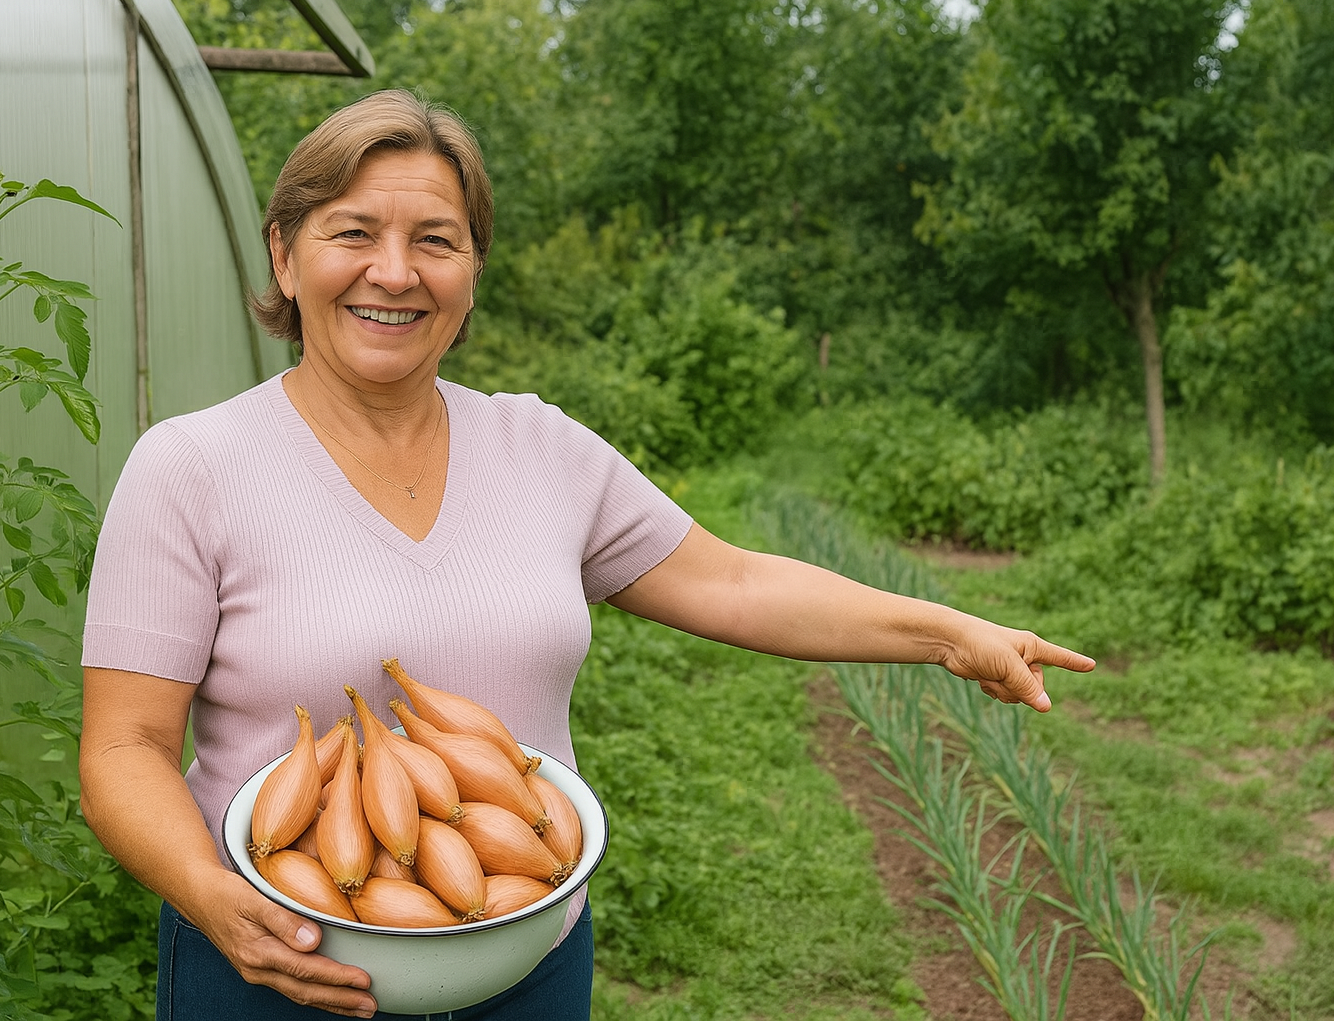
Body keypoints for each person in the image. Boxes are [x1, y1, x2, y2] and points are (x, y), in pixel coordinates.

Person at [77, 89, 1094, 1021]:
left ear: (473, 270)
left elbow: (731, 579)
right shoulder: (192, 468)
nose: (395, 271)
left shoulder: (542, 449)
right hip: (275, 966)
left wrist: (949, 631)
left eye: (436, 239)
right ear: (287, 255)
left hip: (526, 964)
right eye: (353, 232)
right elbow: (124, 748)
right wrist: (212, 898)